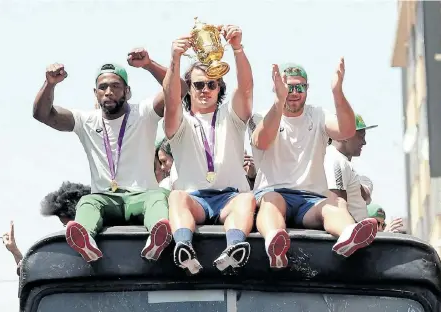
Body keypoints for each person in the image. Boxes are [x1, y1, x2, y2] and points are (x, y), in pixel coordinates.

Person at [32, 48, 186, 263]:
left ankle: (158, 237)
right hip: (105, 198)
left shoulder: (144, 112)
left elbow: (180, 89)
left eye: (116, 86)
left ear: (127, 91)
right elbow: (42, 114)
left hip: (142, 196)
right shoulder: (85, 120)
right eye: (103, 87)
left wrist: (149, 64)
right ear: (95, 92)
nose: (109, 91)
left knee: (158, 197)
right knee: (87, 201)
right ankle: (86, 242)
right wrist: (50, 84)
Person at [249, 61, 378, 269]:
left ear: (307, 89)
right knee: (271, 202)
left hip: (310, 200)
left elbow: (346, 131)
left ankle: (348, 236)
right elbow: (262, 140)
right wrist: (279, 102)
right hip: (272, 191)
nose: (294, 92)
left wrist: (337, 92)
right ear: (276, 87)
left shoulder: (318, 114)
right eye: (288, 87)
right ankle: (275, 243)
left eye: (299, 87)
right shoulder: (260, 116)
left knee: (334, 205)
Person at [163, 24, 256, 275]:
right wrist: (175, 58)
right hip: (194, 198)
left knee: (247, 199)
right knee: (176, 197)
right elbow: (170, 99)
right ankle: (183, 246)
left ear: (219, 88)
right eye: (198, 85)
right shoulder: (180, 120)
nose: (205, 90)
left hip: (230, 197)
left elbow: (246, 88)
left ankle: (235, 248)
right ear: (189, 88)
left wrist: (237, 48)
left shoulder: (231, 116)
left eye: (212, 84)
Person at [1, 182, 90, 275]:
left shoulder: (100, 243)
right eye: (65, 226)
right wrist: (14, 250)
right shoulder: (66, 253)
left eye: (71, 226)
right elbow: (33, 275)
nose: (68, 232)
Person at [324, 114, 377, 222]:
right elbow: (338, 207)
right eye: (361, 136)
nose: (364, 142)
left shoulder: (339, 160)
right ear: (345, 135)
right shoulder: (336, 160)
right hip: (349, 235)